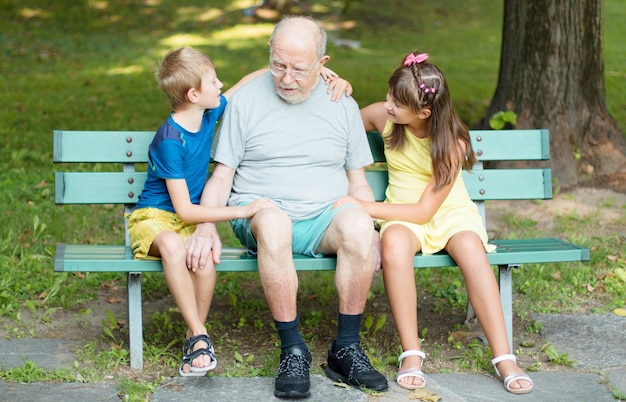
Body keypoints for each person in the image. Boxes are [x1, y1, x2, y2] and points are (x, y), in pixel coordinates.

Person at [185, 16, 388, 399]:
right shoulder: (245, 100)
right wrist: (205, 226)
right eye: (278, 65)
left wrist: (374, 228)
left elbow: (358, 182)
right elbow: (222, 176)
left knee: (360, 227)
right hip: (259, 214)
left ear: (323, 65)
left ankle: (346, 348)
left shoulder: (341, 102)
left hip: (323, 215)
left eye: (298, 68)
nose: (286, 77)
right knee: (275, 222)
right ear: (269, 56)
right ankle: (292, 348)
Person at [128, 46, 349, 377]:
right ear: (193, 93)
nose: (221, 85)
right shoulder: (169, 141)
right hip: (157, 217)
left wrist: (307, 71)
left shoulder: (207, 113)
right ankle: (199, 334)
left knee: (203, 258)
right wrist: (245, 210)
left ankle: (193, 337)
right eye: (214, 81)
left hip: (188, 219)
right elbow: (186, 211)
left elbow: (248, 81)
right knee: (175, 247)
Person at [334, 52, 534, 395]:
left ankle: (504, 357)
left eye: (396, 103)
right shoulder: (386, 117)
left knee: (471, 249)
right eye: (388, 97)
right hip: (401, 213)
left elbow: (426, 211)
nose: (386, 105)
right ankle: (411, 353)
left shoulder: (453, 144)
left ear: (424, 113)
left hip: (446, 212)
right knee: (395, 245)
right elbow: (344, 117)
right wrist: (341, 88)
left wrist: (366, 206)